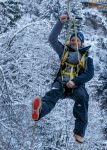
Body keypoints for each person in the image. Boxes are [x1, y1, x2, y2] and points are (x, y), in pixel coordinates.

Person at [32, 15, 94, 143]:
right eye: (72, 40)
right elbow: (52, 39)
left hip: (77, 85)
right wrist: (60, 23)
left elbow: (89, 74)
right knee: (52, 95)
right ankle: (40, 111)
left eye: (77, 40)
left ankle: (79, 132)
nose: (74, 42)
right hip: (61, 83)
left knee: (82, 98)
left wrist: (75, 81)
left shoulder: (87, 58)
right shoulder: (63, 51)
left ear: (81, 43)